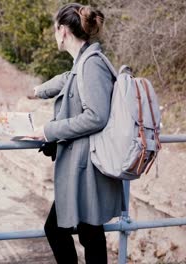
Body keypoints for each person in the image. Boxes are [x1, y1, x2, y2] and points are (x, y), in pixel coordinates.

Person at [28, 3, 123, 264]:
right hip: (81, 167)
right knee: (90, 233)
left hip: (86, 168)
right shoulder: (83, 61)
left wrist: (49, 130)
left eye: (54, 30)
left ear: (62, 31)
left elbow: (96, 116)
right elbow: (66, 79)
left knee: (71, 231)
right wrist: (37, 91)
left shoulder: (91, 64)